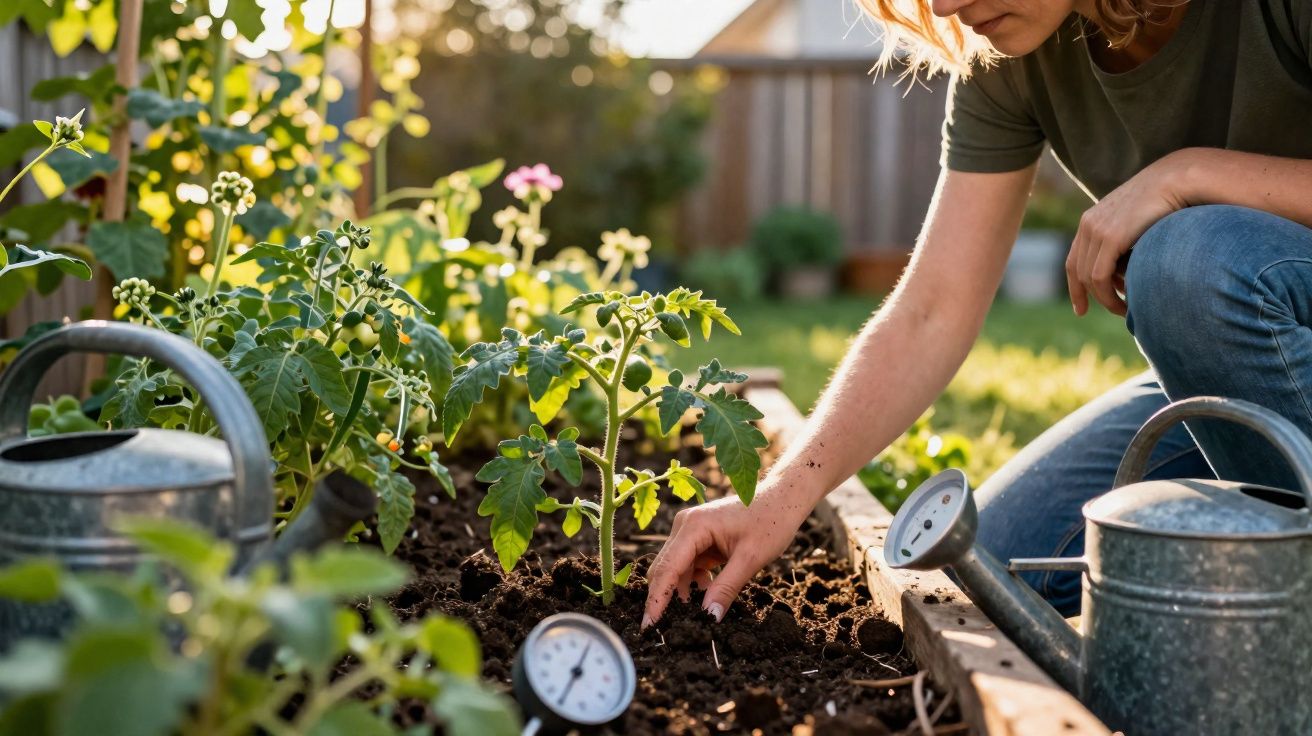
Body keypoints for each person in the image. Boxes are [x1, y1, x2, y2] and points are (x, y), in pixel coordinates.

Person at [641, 0, 1312, 628]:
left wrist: (1186, 175)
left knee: (1184, 263)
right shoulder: (1016, 60)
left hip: (1231, 303)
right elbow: (931, 309)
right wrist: (780, 496)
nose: (942, 6)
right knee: (980, 575)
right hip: (1244, 372)